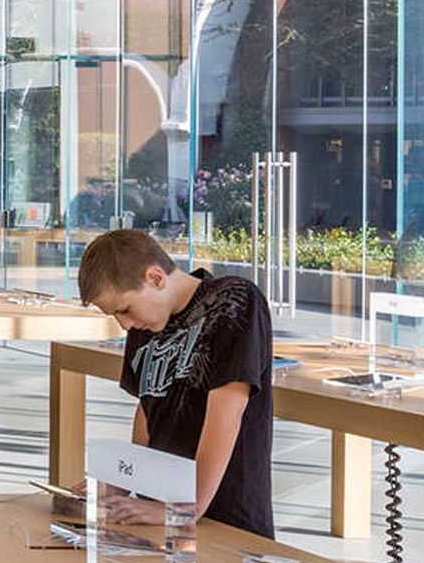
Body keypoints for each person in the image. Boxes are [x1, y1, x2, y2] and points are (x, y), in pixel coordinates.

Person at [76, 227, 276, 538]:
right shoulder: (145, 324)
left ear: (156, 278)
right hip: (158, 513)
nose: (124, 324)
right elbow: (147, 412)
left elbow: (228, 412)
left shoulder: (235, 300)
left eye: (125, 309)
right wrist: (121, 481)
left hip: (225, 517)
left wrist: (189, 508)